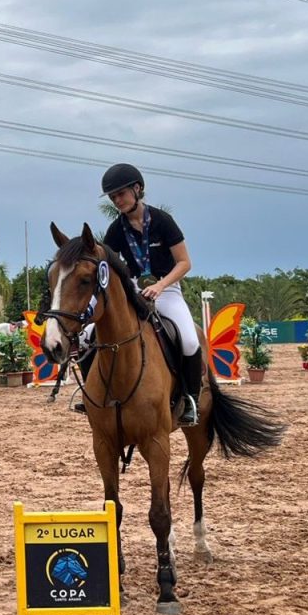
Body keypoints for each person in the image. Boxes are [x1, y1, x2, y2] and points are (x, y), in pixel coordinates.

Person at [99, 163, 203, 426]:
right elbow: (106, 266)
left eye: (120, 194)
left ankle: (190, 399)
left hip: (166, 290)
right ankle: (94, 398)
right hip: (134, 291)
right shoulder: (116, 230)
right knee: (91, 336)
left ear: (137, 189)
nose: (117, 200)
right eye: (113, 197)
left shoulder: (162, 221)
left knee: (190, 341)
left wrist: (160, 285)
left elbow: (184, 262)